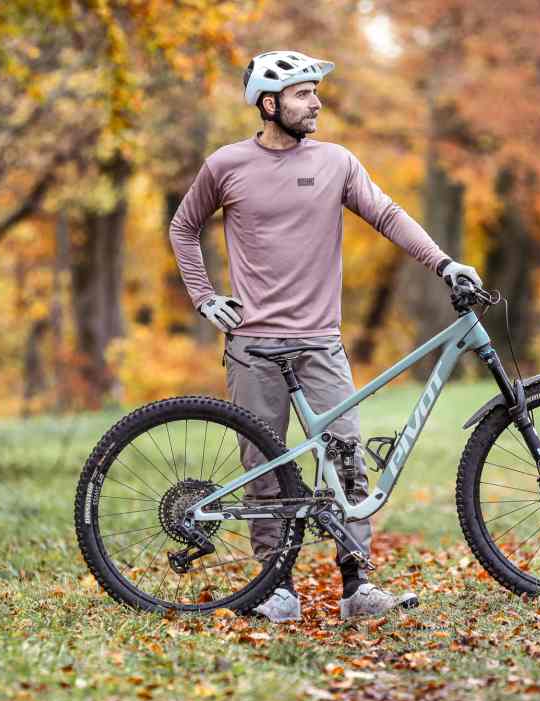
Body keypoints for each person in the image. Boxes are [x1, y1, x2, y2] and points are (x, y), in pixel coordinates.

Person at [168, 50, 483, 622]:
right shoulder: (226, 165)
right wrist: (204, 296)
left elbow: (387, 216)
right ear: (269, 104)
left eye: (315, 92)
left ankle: (357, 586)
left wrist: (444, 264)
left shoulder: (337, 162)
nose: (315, 103)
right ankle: (275, 588)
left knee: (345, 459)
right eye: (301, 94)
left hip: (320, 343)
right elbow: (184, 226)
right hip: (253, 345)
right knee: (266, 471)